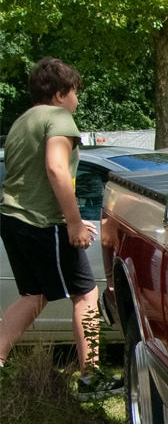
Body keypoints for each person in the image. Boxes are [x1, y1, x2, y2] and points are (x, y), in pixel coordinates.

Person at [0, 57, 120, 399]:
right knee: (86, 294)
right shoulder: (59, 119)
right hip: (43, 223)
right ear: (58, 94)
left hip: (13, 218)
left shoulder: (22, 121)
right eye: (74, 93)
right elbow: (56, 169)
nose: (77, 100)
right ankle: (91, 378)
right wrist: (73, 222)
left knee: (33, 295)